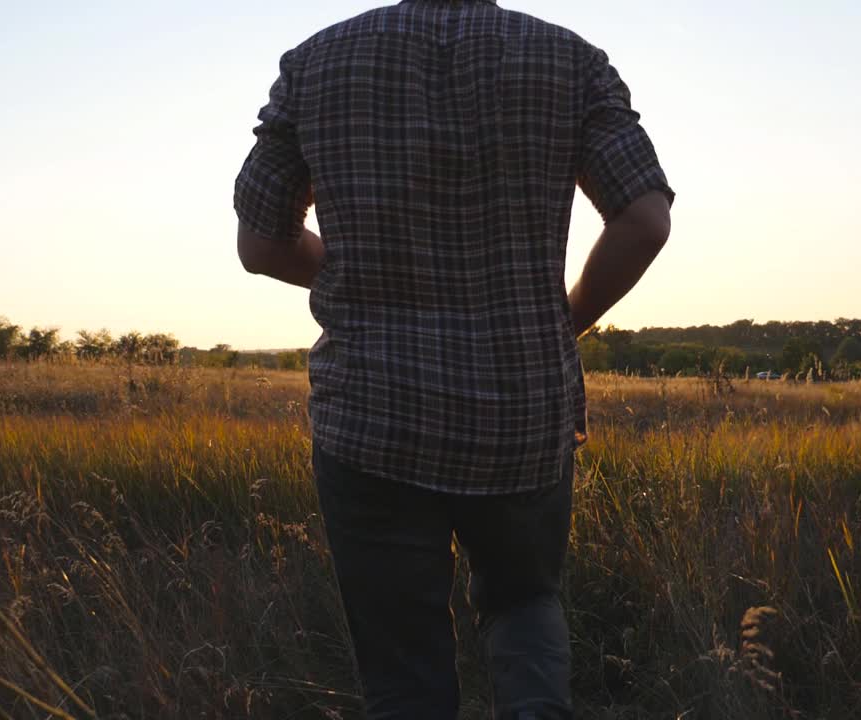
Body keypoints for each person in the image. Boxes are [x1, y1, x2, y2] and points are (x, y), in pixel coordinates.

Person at [233, 1, 673, 716]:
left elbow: (263, 243)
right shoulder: (572, 62)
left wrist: (366, 278)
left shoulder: (315, 65)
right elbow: (645, 220)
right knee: (524, 602)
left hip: (373, 421)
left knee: (404, 673)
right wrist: (560, 324)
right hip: (523, 416)